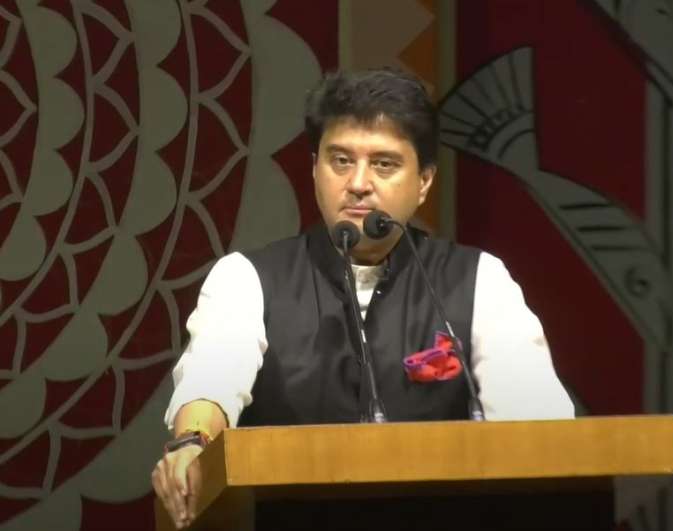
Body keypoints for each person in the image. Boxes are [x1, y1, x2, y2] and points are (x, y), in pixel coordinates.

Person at [151, 68, 574, 529]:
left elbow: (538, 430)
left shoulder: (477, 280)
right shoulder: (247, 278)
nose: (358, 183)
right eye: (340, 160)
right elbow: (211, 381)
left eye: (384, 164)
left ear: (425, 180)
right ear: (315, 168)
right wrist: (193, 442)